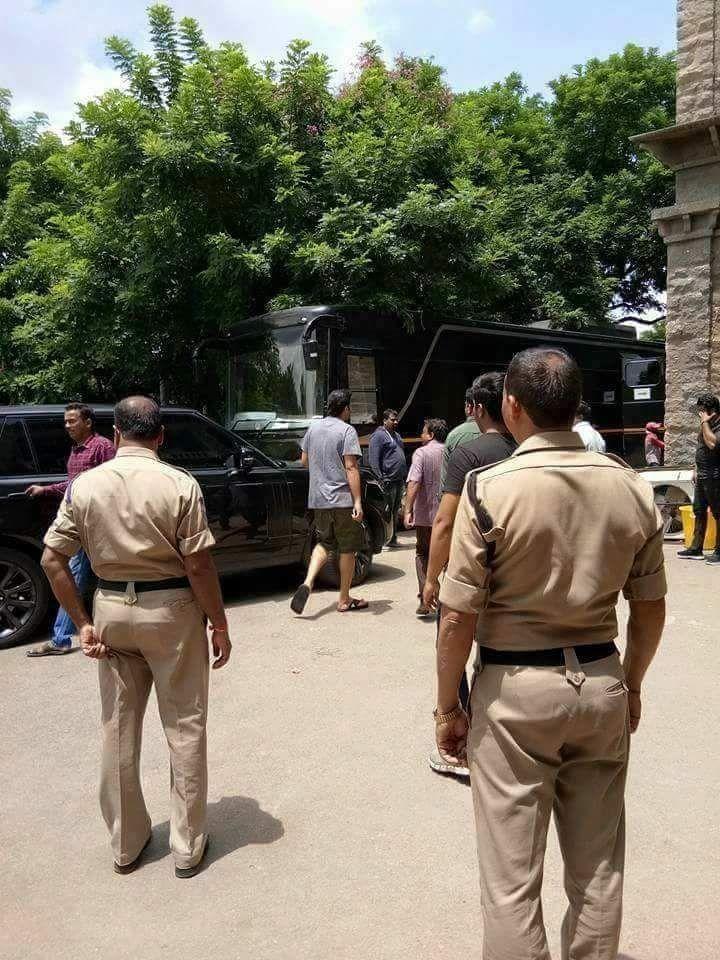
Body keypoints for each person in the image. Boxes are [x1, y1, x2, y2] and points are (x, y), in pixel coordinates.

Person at [434, 347, 666, 960]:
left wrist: (446, 708)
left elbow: (457, 614)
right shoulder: (630, 486)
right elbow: (649, 606)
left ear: (511, 405)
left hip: (514, 692)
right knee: (598, 869)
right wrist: (633, 684)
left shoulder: (489, 490)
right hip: (601, 681)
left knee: (511, 879)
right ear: (574, 407)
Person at [41, 397, 230, 878]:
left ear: (117, 433)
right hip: (171, 613)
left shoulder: (85, 486)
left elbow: (52, 559)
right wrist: (219, 623)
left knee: (119, 728)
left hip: (110, 613)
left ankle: (126, 842)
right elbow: (199, 564)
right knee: (184, 726)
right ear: (161, 435)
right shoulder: (179, 484)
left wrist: (82, 623)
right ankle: (187, 847)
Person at [422, 372, 516, 777]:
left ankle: (459, 735)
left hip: (471, 569)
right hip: (514, 572)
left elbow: (444, 521)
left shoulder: (468, 453)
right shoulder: (521, 450)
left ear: (477, 408)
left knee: (454, 647)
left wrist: (431, 577)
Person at [26, 402, 115, 657]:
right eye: (65, 422)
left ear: (87, 422)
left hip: (97, 525)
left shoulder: (103, 447)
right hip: (78, 524)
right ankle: (65, 637)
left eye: (72, 421)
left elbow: (112, 482)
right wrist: (46, 489)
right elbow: (73, 484)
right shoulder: (76, 451)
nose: (67, 426)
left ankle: (67, 637)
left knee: (93, 577)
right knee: (76, 577)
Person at [290, 389, 367, 614]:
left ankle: (308, 581)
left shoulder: (313, 429)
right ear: (345, 409)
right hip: (342, 499)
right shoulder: (347, 431)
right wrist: (358, 502)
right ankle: (343, 598)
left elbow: (304, 461)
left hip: (319, 500)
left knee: (325, 543)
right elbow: (351, 467)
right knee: (348, 548)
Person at [404, 418, 448, 616]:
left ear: (430, 435)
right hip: (447, 515)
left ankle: (425, 598)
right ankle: (446, 598)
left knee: (423, 553)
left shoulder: (421, 453)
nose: (421, 436)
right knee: (447, 557)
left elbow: (414, 482)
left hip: (426, 516)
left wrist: (407, 509)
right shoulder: (450, 451)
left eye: (423, 432)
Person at [678, 392, 720, 563]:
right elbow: (700, 447)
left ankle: (719, 550)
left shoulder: (714, 425)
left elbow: (712, 444)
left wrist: (704, 422)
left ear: (712, 411)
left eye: (703, 410)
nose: (700, 414)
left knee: (718, 513)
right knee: (699, 510)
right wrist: (695, 468)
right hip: (702, 474)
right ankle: (696, 548)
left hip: (715, 475)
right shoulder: (706, 424)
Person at [368, 408, 406, 547]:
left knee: (395, 510)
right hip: (388, 480)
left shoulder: (396, 435)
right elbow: (373, 460)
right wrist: (380, 478)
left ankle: (393, 538)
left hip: (398, 479)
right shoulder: (378, 436)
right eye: (392, 419)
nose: (395, 422)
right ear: (384, 421)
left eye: (396, 420)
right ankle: (385, 539)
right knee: (387, 510)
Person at [440, 387, 480, 489]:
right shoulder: (503, 434)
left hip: (460, 499)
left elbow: (445, 480)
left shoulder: (454, 435)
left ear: (469, 407)